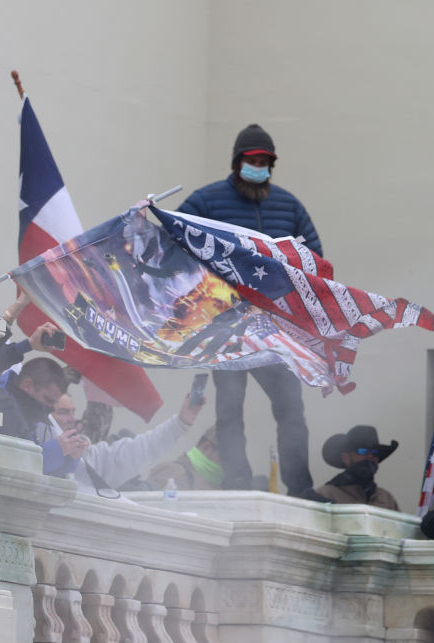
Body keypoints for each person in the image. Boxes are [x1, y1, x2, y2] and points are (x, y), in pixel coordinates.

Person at [176, 123, 321, 496]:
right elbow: (173, 236)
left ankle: (300, 487)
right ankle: (236, 482)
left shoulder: (289, 206)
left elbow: (314, 258)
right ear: (238, 162)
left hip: (275, 329)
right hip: (224, 325)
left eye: (265, 161)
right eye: (252, 160)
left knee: (291, 409)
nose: (259, 166)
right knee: (229, 410)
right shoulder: (206, 202)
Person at [41, 391, 202, 496]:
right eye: (63, 412)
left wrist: (181, 423)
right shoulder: (33, 453)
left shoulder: (91, 458)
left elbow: (141, 449)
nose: (72, 419)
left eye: (73, 412)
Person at [314, 425, 400, 510]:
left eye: (375, 452)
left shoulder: (387, 500)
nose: (370, 456)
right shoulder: (325, 495)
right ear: (346, 458)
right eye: (363, 451)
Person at [0, 357, 69, 445]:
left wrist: (69, 455)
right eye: (47, 399)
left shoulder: (27, 415)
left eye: (54, 403)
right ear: (27, 385)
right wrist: (57, 450)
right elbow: (12, 453)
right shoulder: (0, 406)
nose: (50, 407)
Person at [140, 425, 224, 491]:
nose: (233, 464)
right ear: (206, 448)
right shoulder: (172, 472)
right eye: (228, 457)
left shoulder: (225, 483)